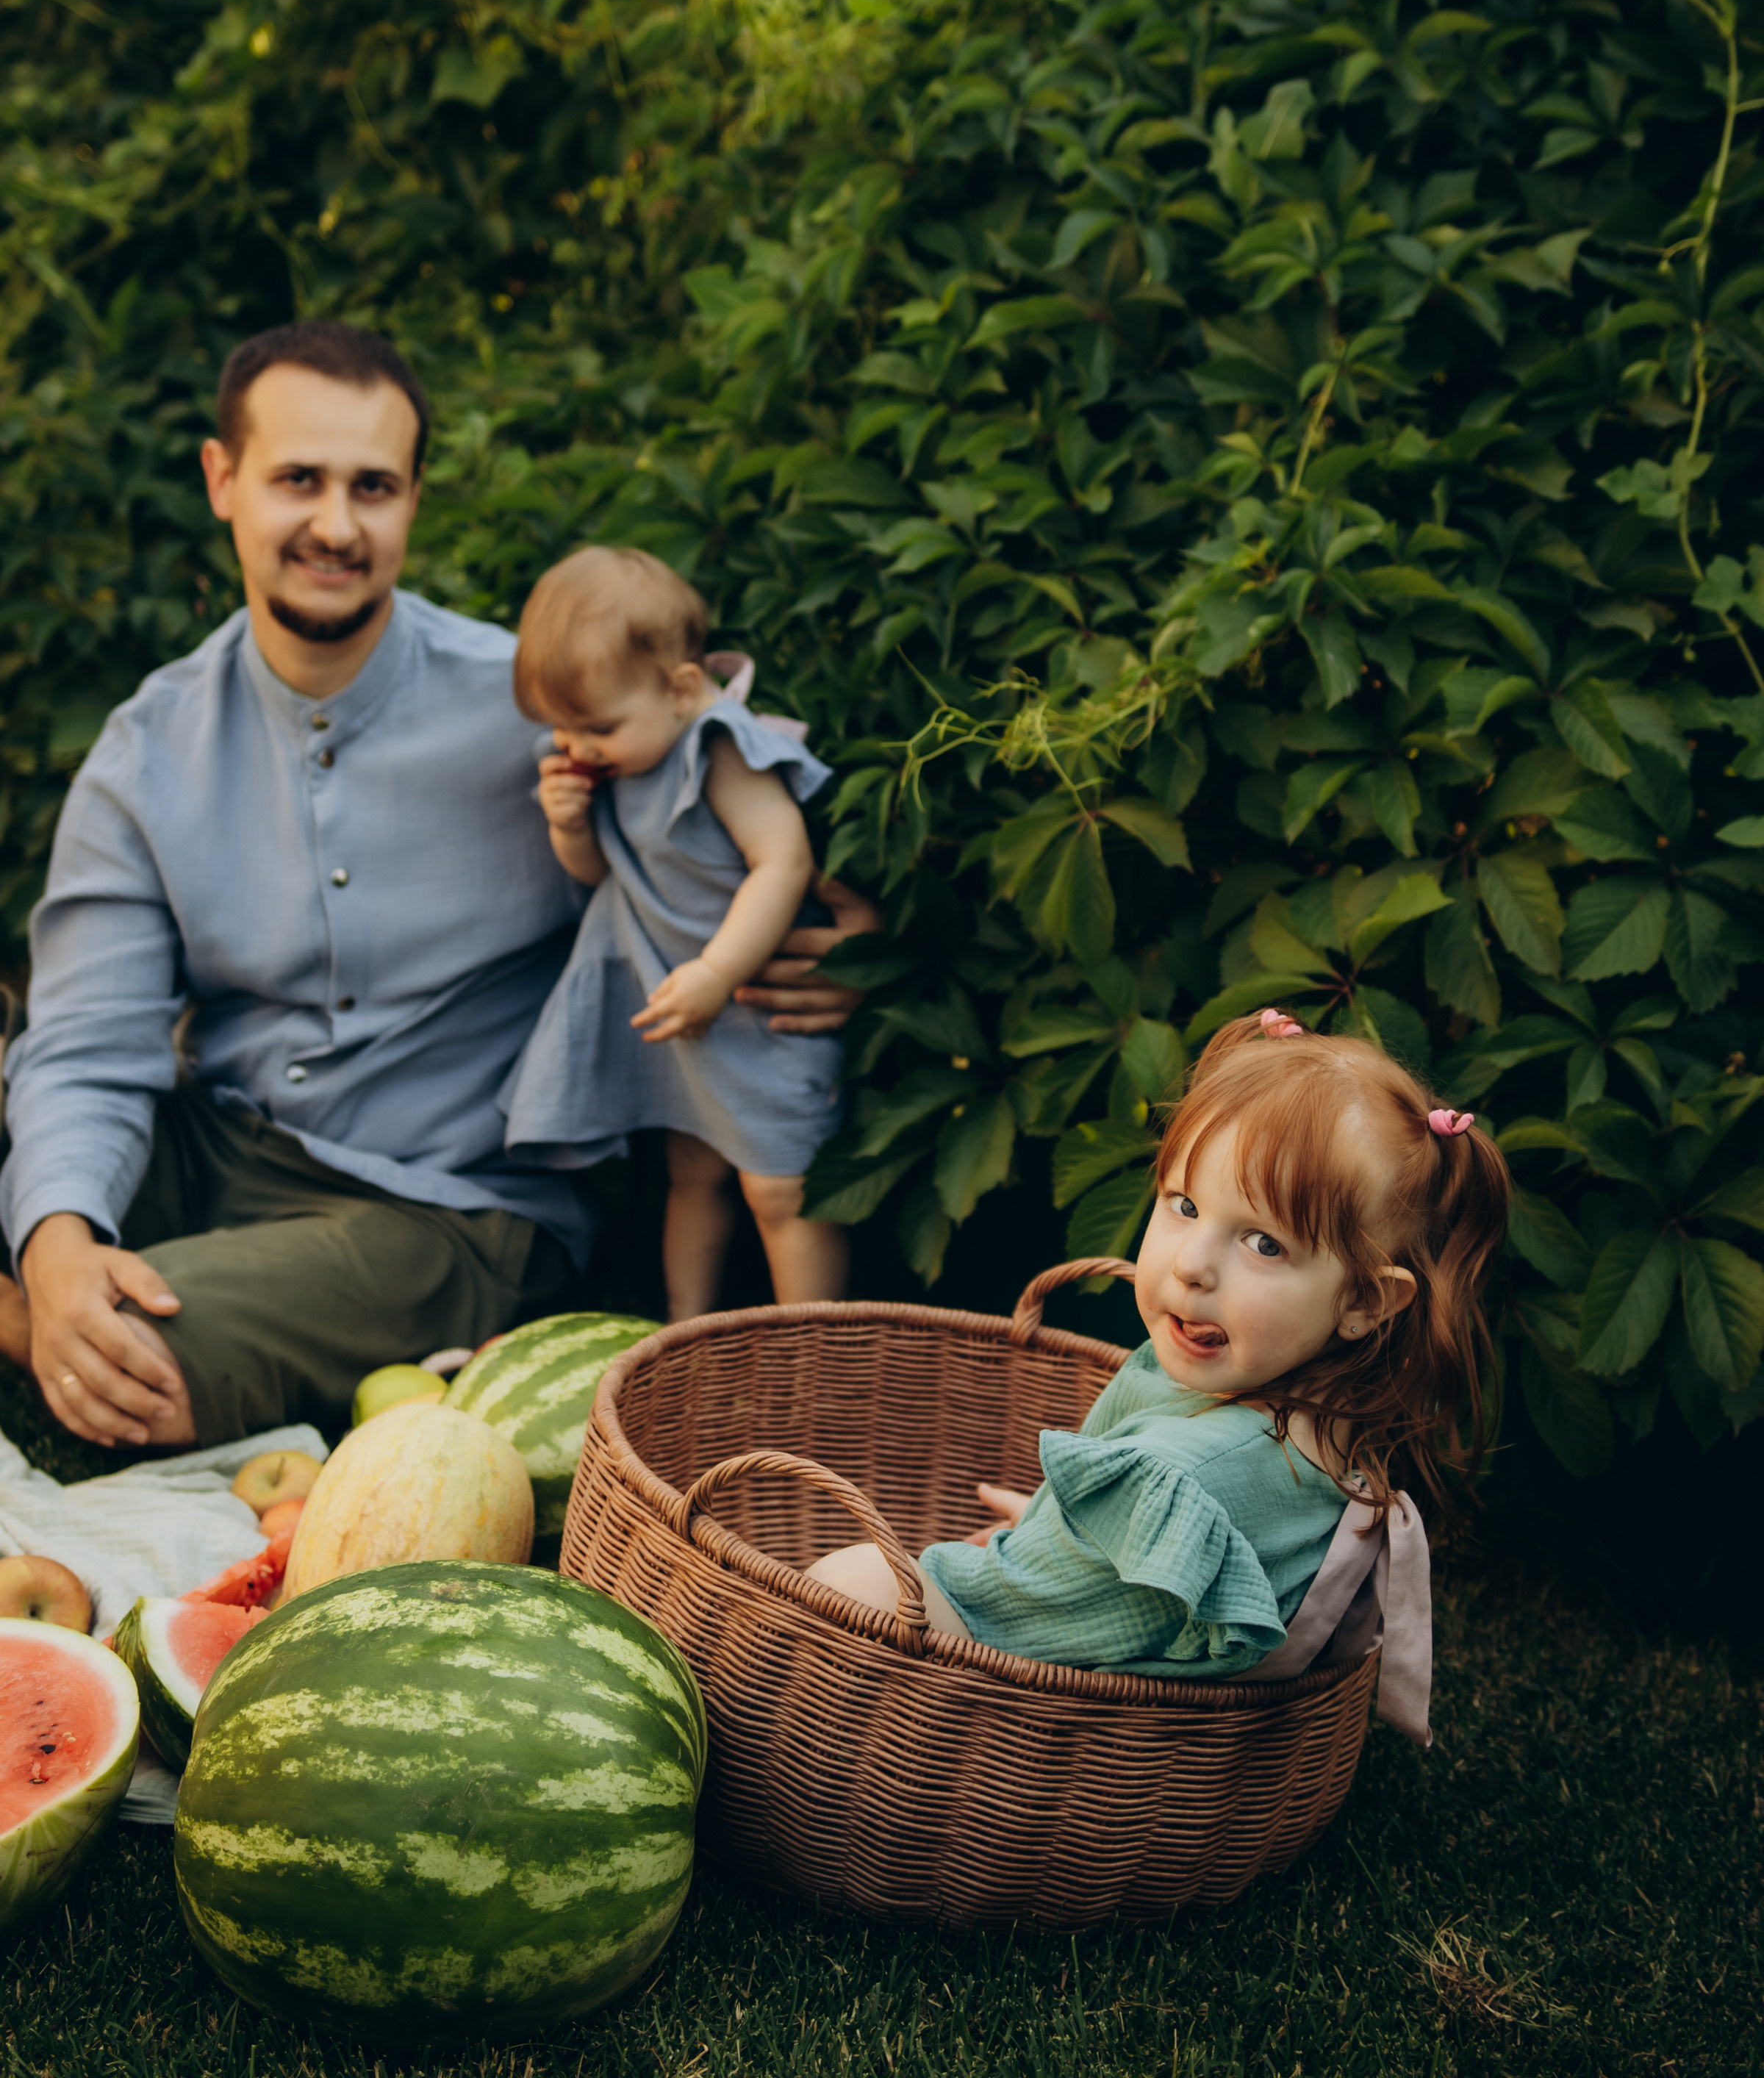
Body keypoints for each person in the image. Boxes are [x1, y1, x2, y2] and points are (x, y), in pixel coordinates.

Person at [0, 320, 872, 1452]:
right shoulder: (149, 751)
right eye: (299, 480)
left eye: (372, 487)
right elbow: (86, 1042)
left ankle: (59, 1327)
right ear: (223, 480)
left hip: (447, 1207)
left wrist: (834, 948)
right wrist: (57, 1240)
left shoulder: (547, 712)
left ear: (414, 498)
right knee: (56, 1196)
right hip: (219, 1142)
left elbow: (723, 841)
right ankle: (62, 1300)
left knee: (142, 1359)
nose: (336, 525)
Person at [811, 1009, 1508, 1713]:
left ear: (1363, 1299)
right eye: (1184, 1204)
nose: (1191, 1265)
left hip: (991, 1696)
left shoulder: (1188, 1474)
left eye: (1264, 1244)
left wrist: (1010, 1566)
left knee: (857, 1580)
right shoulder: (1316, 1428)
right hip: (1075, 1640)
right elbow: (1148, 1601)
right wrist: (1070, 1541)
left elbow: (1015, 1618)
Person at [498, 545, 848, 1322]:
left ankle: (817, 1350)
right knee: (691, 1169)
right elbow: (605, 874)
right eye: (562, 728)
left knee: (782, 1188)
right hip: (686, 1011)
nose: (577, 747)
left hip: (756, 1009)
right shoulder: (621, 760)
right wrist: (569, 828)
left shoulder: (716, 749)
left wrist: (719, 973)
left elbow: (783, 861)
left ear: (683, 689)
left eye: (598, 727)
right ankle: (686, 1331)